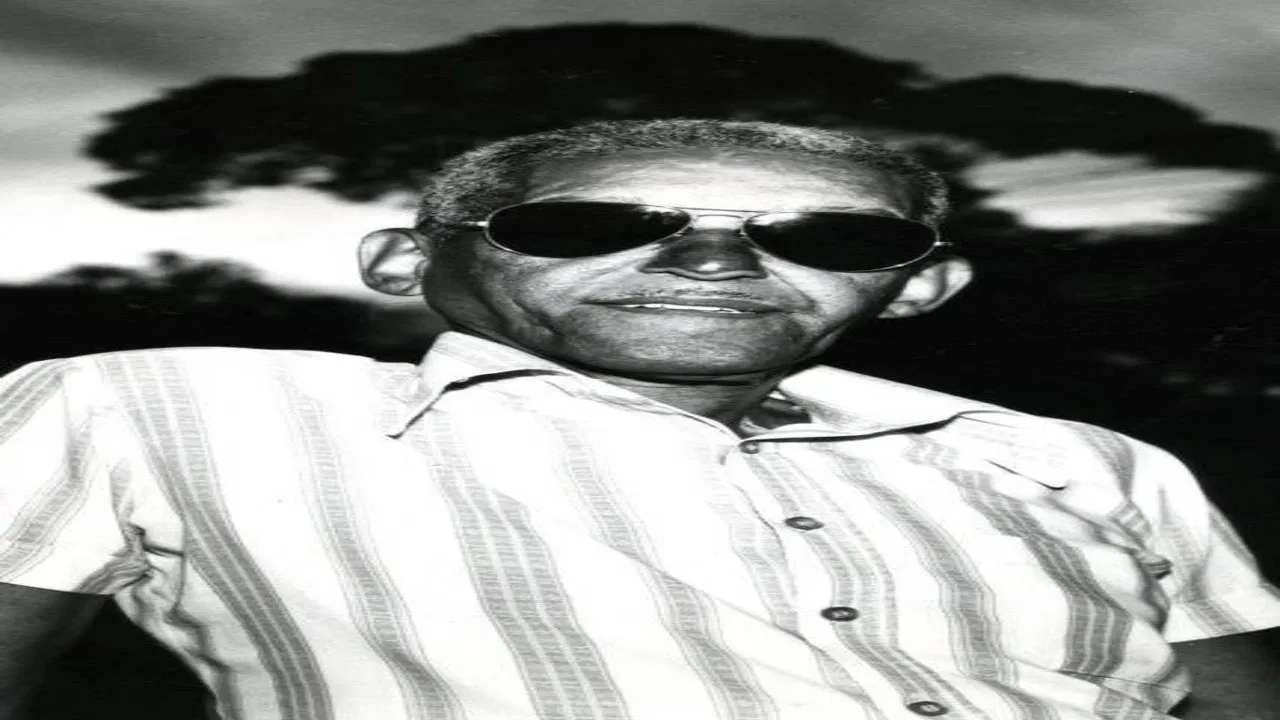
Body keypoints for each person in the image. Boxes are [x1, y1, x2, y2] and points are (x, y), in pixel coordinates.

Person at [1, 119, 1278, 720]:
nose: (711, 262)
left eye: (829, 238)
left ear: (917, 286)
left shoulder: (1084, 461)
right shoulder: (153, 406)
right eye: (589, 225)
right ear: (403, 262)